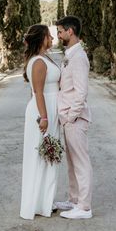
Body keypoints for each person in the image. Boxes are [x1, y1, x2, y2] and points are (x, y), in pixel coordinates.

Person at [20, 24, 62, 219]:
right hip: (43, 111)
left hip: (49, 109)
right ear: (41, 39)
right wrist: (44, 117)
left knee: (49, 156)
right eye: (48, 36)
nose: (52, 39)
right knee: (43, 156)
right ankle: (38, 203)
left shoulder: (45, 58)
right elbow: (38, 93)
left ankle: (45, 201)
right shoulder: (38, 62)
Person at [54, 15, 93, 219]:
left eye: (60, 31)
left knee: (81, 162)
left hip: (75, 119)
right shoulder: (70, 54)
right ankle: (74, 200)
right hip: (68, 118)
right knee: (72, 162)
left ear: (71, 31)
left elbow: (81, 91)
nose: (58, 35)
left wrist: (71, 116)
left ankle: (84, 207)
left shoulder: (79, 57)